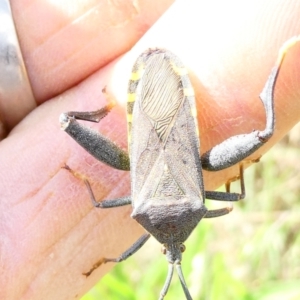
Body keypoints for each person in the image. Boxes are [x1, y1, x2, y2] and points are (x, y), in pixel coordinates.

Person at [1, 0, 299, 299]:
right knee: (67, 122)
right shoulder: (144, 208)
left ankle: (281, 57)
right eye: (177, 247)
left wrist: (241, 169)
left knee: (264, 136)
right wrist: (82, 179)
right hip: (155, 99)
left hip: (165, 100)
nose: (174, 248)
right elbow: (98, 204)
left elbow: (236, 198)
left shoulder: (195, 206)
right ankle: (280, 57)